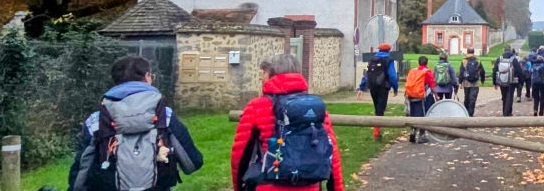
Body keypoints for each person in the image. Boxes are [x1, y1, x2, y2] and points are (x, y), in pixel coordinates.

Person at [69, 57, 203, 191]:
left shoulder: (97, 119)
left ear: (115, 81)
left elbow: (82, 168)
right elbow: (192, 162)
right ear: (147, 77)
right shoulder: (165, 115)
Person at [229, 54, 343, 191]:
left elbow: (240, 155)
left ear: (272, 73)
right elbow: (332, 153)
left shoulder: (257, 106)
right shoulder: (315, 108)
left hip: (268, 185)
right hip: (309, 186)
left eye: (263, 72)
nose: (261, 77)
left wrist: (238, 186)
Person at [356, 43, 399, 141]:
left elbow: (366, 74)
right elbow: (392, 75)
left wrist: (361, 88)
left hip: (372, 86)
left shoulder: (372, 60)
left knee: (377, 107)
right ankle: (376, 132)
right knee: (381, 108)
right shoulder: (389, 60)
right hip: (383, 87)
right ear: (389, 50)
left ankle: (377, 130)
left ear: (379, 50)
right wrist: (395, 88)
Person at [403, 56, 434, 143]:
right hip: (421, 96)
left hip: (411, 96)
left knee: (413, 114)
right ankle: (421, 135)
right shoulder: (427, 72)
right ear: (426, 63)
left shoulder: (412, 71)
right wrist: (436, 95)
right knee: (423, 115)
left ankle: (412, 132)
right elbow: (431, 85)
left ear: (418, 62)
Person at [493, 48, 521, 116]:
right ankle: (508, 112)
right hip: (511, 81)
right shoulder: (514, 59)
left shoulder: (499, 59)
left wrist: (495, 82)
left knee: (504, 96)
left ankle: (505, 111)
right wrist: (519, 81)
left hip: (502, 81)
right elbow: (519, 70)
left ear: (504, 51)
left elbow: (495, 71)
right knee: (510, 96)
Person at [458, 49, 485, 115]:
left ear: (467, 52)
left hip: (466, 82)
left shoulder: (464, 61)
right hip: (475, 83)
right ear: (473, 52)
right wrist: (482, 80)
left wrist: (460, 82)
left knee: (466, 98)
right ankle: (471, 113)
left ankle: (466, 112)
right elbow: (482, 71)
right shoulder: (478, 60)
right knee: (473, 98)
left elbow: (461, 72)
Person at [526, 48, 544, 116]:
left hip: (534, 83)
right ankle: (541, 112)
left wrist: (530, 84)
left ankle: (535, 109)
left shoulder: (533, 66)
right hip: (542, 83)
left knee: (536, 97)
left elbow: (531, 75)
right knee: (543, 97)